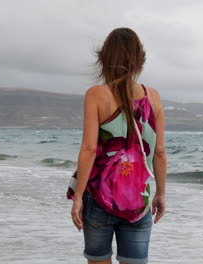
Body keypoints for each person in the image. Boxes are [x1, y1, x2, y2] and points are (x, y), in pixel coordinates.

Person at [70, 27, 167, 264]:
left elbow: (89, 149)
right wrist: (161, 193)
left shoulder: (97, 95)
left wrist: (78, 196)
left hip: (99, 198)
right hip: (138, 200)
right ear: (139, 60)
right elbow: (160, 151)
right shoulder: (152, 96)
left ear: (103, 59)